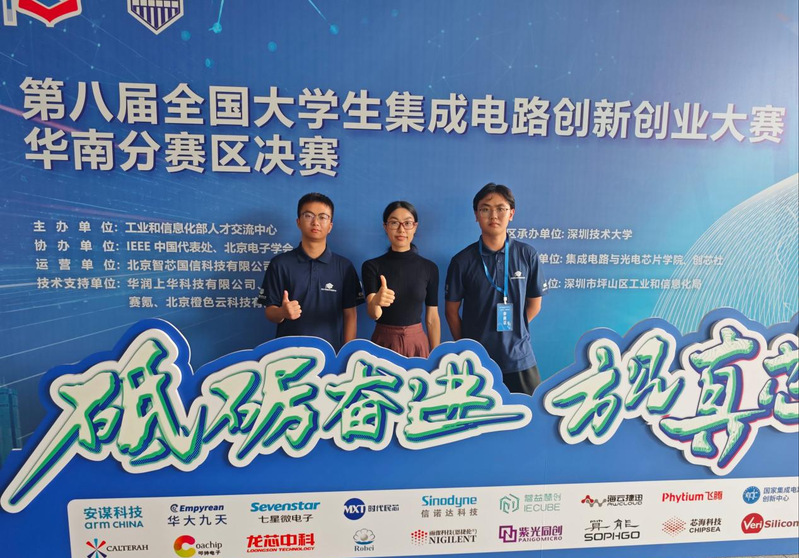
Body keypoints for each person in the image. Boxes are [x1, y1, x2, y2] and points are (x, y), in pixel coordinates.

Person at [445, 183, 547, 394]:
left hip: (519, 358)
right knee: (476, 415)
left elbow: (535, 304)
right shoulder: (462, 261)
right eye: (485, 209)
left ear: (511, 214)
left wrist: (514, 330)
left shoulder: (527, 255)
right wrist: (468, 349)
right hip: (477, 363)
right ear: (476, 215)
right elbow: (451, 311)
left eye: (501, 208)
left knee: (529, 411)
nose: (493, 215)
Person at [258, 193, 364, 351]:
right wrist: (282, 312)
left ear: (330, 226)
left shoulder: (344, 267)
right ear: (298, 222)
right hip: (287, 355)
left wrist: (346, 354)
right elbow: (270, 312)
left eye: (323, 217)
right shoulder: (280, 264)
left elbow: (350, 315)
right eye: (308, 215)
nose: (315, 222)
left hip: (330, 355)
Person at [361, 201, 440, 358]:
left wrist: (437, 356)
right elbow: (373, 314)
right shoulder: (371, 266)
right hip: (384, 341)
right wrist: (376, 302)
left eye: (407, 223)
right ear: (385, 227)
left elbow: (432, 317)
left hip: (417, 342)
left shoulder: (429, 268)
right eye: (394, 223)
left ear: (415, 227)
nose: (401, 229)